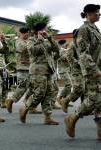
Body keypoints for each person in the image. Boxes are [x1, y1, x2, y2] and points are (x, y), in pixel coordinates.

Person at [64, 4, 101, 140]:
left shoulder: (95, 29)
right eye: (97, 12)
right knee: (93, 100)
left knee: (99, 100)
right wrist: (94, 69)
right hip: (92, 71)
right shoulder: (84, 29)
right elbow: (83, 53)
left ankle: (100, 131)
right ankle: (72, 118)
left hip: (97, 69)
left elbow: (97, 51)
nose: (99, 14)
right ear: (89, 14)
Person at [19, 22, 60, 125]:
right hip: (37, 71)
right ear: (39, 30)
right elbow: (33, 51)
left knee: (50, 93)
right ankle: (26, 108)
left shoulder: (47, 40)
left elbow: (56, 50)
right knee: (39, 93)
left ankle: (48, 117)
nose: (46, 31)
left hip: (48, 70)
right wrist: (39, 40)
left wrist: (50, 39)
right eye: (44, 29)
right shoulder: (31, 40)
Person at [7, 26, 41, 114]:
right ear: (22, 33)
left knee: (33, 88)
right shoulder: (18, 42)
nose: (28, 35)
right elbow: (23, 49)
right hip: (22, 68)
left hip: (30, 68)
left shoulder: (28, 41)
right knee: (22, 87)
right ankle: (11, 100)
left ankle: (29, 106)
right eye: (27, 33)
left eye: (29, 33)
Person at [59, 29, 84, 113]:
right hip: (76, 70)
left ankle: (84, 106)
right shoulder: (73, 45)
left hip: (84, 69)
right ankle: (66, 100)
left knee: (85, 88)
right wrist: (79, 62)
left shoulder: (82, 44)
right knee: (79, 88)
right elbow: (69, 58)